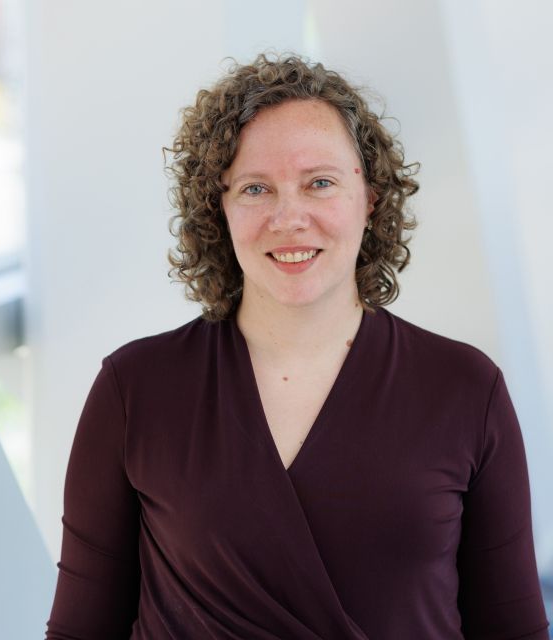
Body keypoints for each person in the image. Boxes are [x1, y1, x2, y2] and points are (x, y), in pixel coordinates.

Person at [45, 52, 550, 639]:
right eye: (257, 188)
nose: (290, 218)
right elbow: (80, 631)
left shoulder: (466, 388)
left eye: (320, 183)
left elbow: (513, 630)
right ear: (220, 209)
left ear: (373, 198)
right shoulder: (133, 389)